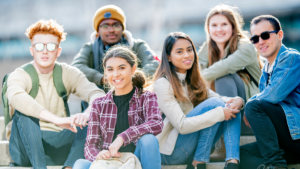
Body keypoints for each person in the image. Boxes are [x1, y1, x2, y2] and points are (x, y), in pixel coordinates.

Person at [6, 20, 105, 169]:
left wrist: (86, 114)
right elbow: (15, 96)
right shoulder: (20, 74)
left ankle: (69, 166)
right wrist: (57, 120)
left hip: (58, 146)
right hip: (24, 149)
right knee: (23, 111)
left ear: (58, 51)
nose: (45, 51)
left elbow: (98, 94)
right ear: (32, 50)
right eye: (39, 46)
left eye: (51, 46)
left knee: (92, 111)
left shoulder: (68, 73)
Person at [153, 32, 244, 169]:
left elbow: (219, 99)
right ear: (168, 57)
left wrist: (238, 100)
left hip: (189, 147)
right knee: (217, 107)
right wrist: (220, 113)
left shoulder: (192, 80)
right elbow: (182, 126)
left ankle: (232, 162)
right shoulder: (163, 84)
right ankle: (199, 161)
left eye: (189, 50)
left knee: (230, 106)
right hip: (170, 153)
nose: (187, 55)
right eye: (179, 52)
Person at [72, 46, 163, 169]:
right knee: (79, 164)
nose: (116, 74)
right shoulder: (98, 104)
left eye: (122, 68)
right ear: (105, 72)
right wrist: (98, 155)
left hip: (136, 159)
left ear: (133, 69)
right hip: (109, 162)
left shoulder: (146, 97)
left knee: (149, 140)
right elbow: (90, 145)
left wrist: (123, 137)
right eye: (110, 69)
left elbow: (156, 123)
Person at [240, 15, 300, 169]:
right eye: (255, 39)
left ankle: (276, 165)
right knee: (240, 155)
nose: (260, 42)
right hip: (286, 143)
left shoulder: (292, 59)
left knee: (254, 105)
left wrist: (250, 105)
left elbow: (273, 96)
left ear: (280, 35)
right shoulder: (265, 73)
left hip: (297, 137)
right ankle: (273, 165)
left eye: (265, 35)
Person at [197, 4, 262, 136]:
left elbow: (223, 67)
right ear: (208, 28)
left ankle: (229, 146)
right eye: (214, 25)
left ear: (233, 26)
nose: (219, 29)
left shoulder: (246, 47)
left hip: (250, 115)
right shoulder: (207, 49)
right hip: (220, 112)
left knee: (223, 77)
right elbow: (194, 71)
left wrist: (190, 82)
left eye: (224, 24)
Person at [71, 5, 159, 92]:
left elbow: (154, 64)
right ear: (98, 30)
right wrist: (103, 79)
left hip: (135, 98)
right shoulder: (89, 48)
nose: (111, 30)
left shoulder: (137, 46)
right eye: (105, 26)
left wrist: (131, 80)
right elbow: (76, 67)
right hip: (98, 100)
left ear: (122, 28)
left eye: (116, 25)